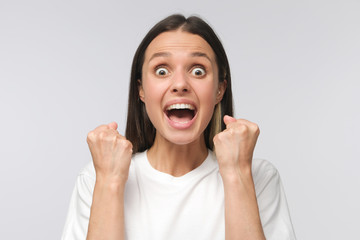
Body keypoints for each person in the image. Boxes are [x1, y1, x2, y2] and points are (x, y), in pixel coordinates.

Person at [61, 14, 296, 240]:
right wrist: (110, 182)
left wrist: (237, 174)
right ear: (141, 90)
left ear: (219, 90)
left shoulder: (258, 178)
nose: (180, 84)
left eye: (198, 71)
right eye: (162, 71)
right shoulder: (95, 178)